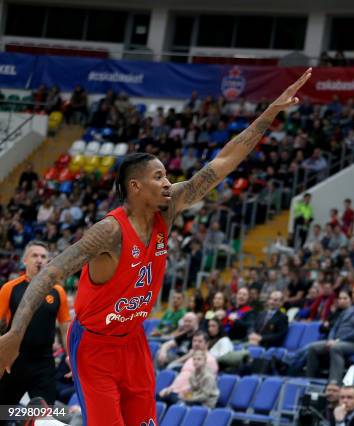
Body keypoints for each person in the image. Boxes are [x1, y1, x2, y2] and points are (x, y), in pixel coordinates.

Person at [0, 69, 312, 426]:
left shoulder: (171, 206)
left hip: (133, 341)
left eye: (167, 176)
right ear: (135, 186)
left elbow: (222, 163)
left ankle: (38, 420)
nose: (168, 182)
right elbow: (50, 274)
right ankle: (37, 420)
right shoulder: (108, 232)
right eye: (159, 176)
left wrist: (269, 112)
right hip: (95, 346)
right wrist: (14, 334)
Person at [0, 241, 71, 408]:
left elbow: (65, 327)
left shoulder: (57, 291)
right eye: (35, 255)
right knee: (3, 413)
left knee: (44, 418)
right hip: (13, 362)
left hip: (44, 363)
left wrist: (70, 356)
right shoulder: (10, 288)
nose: (39, 259)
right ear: (25, 260)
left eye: (43, 256)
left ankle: (28, 419)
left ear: (48, 262)